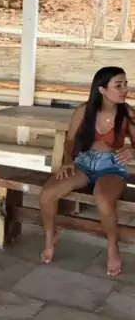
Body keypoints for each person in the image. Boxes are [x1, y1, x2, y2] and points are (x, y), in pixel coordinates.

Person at [39, 66, 135, 276]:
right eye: (118, 85)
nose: (124, 90)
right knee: (47, 193)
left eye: (125, 84)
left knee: (103, 199)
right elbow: (70, 140)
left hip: (112, 166)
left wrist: (131, 150)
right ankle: (50, 237)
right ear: (102, 89)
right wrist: (67, 161)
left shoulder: (127, 113)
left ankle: (112, 246)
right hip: (83, 163)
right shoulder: (84, 111)